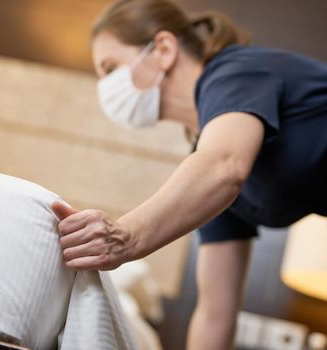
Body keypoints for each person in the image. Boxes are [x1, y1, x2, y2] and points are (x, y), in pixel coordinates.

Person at [50, 0, 327, 349]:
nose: (106, 88)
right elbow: (215, 313)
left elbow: (225, 165)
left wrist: (128, 236)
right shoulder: (206, 180)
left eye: (110, 68)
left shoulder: (234, 71)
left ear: (164, 49)